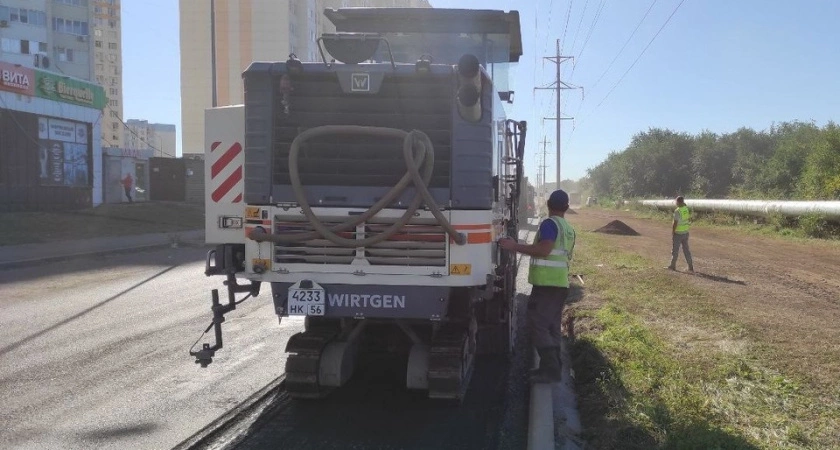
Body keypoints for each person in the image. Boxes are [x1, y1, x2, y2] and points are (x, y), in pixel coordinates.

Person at [498, 189, 576, 383]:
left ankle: (551, 369)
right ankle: (552, 367)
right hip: (559, 284)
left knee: (537, 325)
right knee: (551, 327)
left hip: (547, 285)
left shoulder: (549, 224)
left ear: (548, 204)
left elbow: (544, 250)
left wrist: (514, 247)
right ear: (566, 207)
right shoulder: (568, 227)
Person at [666, 196, 693, 272]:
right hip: (685, 232)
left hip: (678, 233)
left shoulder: (677, 211)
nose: (676, 203)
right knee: (686, 250)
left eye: (676, 202)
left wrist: (673, 232)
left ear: (678, 202)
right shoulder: (686, 209)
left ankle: (672, 266)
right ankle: (690, 266)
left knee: (675, 250)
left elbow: (675, 223)